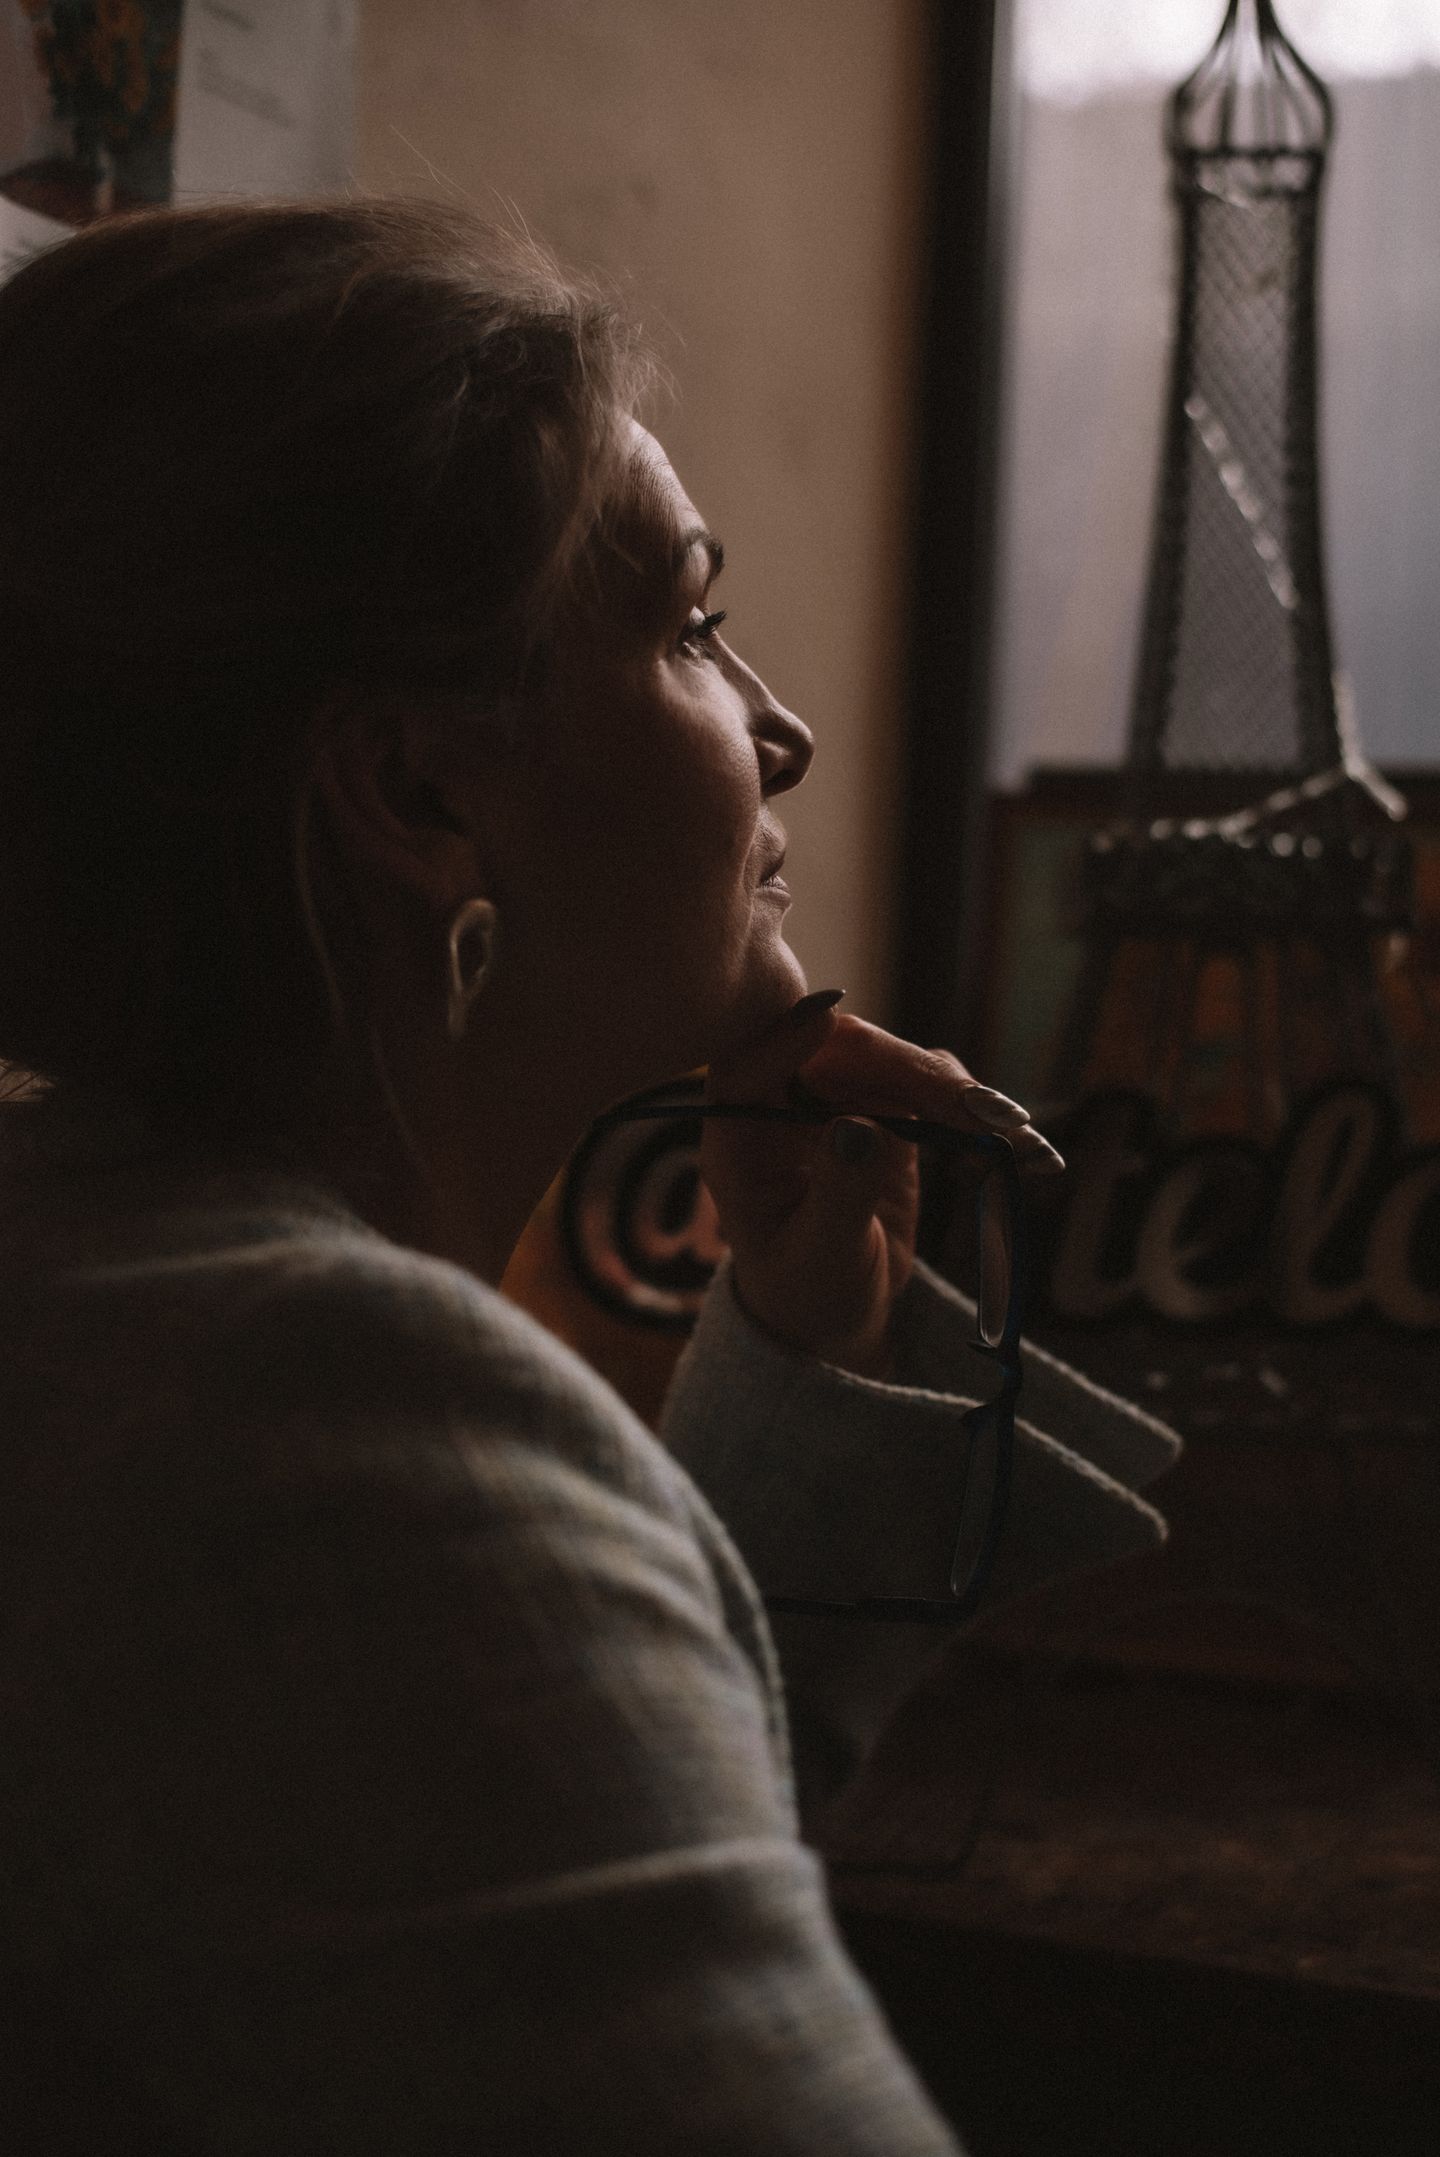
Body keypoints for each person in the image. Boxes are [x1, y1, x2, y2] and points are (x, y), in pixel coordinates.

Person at [0, 198, 1179, 2153]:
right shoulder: (335, 1422)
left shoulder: (100, 1286)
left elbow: (500, 1914)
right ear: (417, 792)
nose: (783, 729)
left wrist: (803, 1353)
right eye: (692, 626)